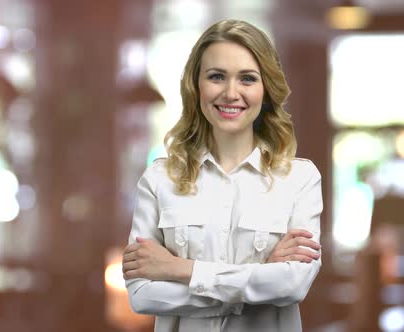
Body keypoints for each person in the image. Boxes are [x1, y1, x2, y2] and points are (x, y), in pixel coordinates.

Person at [122, 19, 323, 332]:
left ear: (266, 88)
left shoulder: (299, 179)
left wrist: (178, 268)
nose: (231, 93)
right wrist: (259, 277)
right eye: (217, 77)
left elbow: (292, 286)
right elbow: (142, 295)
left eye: (247, 79)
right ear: (196, 85)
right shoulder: (160, 179)